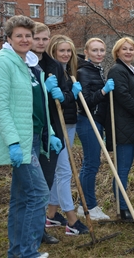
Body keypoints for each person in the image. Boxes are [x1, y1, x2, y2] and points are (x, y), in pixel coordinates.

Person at [0, 15, 62, 258]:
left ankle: (17, 252)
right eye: (19, 35)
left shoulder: (29, 63)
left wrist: (49, 132)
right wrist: (13, 143)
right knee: (38, 193)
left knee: (21, 198)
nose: (25, 39)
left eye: (28, 35)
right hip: (20, 140)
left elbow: (36, 105)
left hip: (34, 136)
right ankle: (27, 252)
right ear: (8, 38)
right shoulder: (4, 62)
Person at [30, 23, 72, 244]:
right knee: (31, 184)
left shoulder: (54, 65)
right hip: (29, 130)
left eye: (45, 39)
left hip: (51, 132)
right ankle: (28, 229)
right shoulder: (22, 62)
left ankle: (39, 229)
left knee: (45, 182)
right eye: (37, 38)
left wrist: (62, 95)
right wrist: (43, 89)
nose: (41, 43)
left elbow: (65, 96)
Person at [44, 35, 89, 235]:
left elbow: (67, 101)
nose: (65, 54)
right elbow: (58, 103)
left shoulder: (67, 72)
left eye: (68, 51)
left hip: (69, 125)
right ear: (53, 51)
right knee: (64, 172)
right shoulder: (51, 71)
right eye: (61, 50)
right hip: (58, 128)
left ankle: (51, 215)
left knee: (60, 171)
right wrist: (70, 94)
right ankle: (71, 220)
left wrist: (71, 92)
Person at [107, 37, 134, 221]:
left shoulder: (131, 71)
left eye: (131, 49)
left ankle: (124, 205)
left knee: (125, 168)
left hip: (131, 124)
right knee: (122, 169)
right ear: (117, 52)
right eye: (124, 49)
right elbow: (122, 96)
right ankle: (123, 209)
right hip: (123, 124)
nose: (128, 52)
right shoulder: (117, 70)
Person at [76, 38, 113, 221]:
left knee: (91, 164)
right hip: (88, 122)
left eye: (101, 50)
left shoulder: (98, 71)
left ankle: (84, 205)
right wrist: (104, 91)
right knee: (90, 165)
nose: (99, 53)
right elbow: (86, 101)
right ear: (87, 51)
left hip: (97, 121)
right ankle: (88, 206)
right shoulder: (83, 72)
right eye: (95, 50)